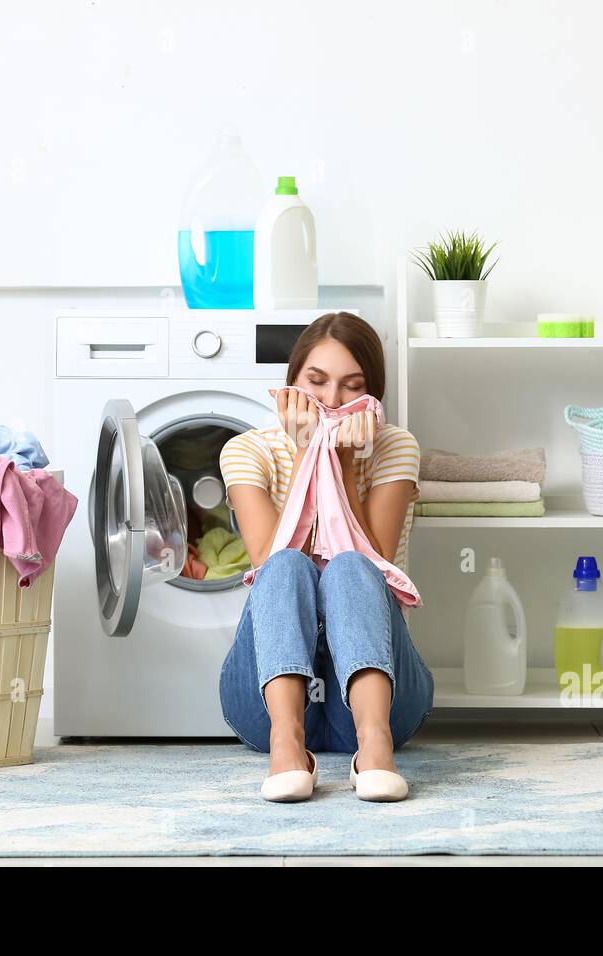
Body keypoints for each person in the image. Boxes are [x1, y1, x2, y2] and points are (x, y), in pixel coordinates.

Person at [217, 311, 435, 802]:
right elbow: (267, 563)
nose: (332, 402)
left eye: (351, 387)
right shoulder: (246, 450)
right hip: (265, 703)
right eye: (316, 382)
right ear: (291, 384)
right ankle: (287, 748)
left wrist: (345, 460)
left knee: (352, 565)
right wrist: (304, 453)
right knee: (288, 565)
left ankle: (375, 750)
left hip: (382, 693)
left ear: (372, 398)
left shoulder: (395, 445)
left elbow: (380, 563)